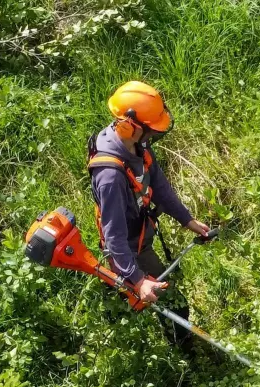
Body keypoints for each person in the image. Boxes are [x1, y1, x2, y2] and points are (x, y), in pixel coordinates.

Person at [87, 80, 209, 353]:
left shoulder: (136, 145)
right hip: (126, 249)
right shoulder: (110, 176)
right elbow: (114, 236)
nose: (153, 137)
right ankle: (182, 355)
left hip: (139, 237)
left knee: (129, 303)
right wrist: (138, 280)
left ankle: (121, 316)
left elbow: (159, 186)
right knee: (171, 302)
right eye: (151, 131)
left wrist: (187, 220)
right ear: (130, 125)